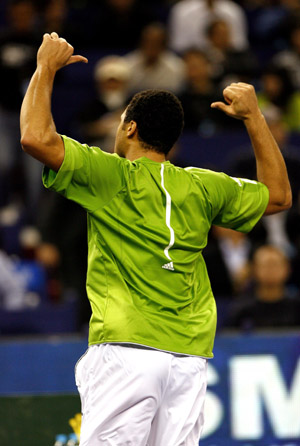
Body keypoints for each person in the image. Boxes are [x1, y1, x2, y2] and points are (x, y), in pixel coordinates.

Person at [20, 32, 291, 445]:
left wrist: (44, 68)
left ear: (129, 127)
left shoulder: (110, 174)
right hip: (188, 358)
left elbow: (35, 138)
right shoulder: (203, 186)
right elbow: (278, 196)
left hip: (127, 350)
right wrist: (254, 118)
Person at [226, 244, 300, 329]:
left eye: (275, 264)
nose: (271, 270)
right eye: (265, 265)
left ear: (287, 269)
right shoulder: (241, 309)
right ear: (254, 269)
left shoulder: (296, 307)